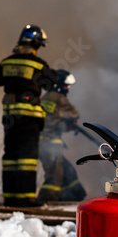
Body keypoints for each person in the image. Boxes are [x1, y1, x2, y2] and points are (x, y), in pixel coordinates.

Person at [0, 24, 56, 207]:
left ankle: (10, 197)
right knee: (26, 157)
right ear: (36, 45)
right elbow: (50, 83)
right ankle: (27, 198)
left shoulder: (7, 62)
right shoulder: (38, 64)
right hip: (29, 117)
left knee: (10, 156)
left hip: (10, 118)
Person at [37, 70, 87, 202]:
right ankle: (47, 199)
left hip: (43, 141)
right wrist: (69, 121)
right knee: (54, 174)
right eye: (66, 85)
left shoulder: (46, 98)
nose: (67, 89)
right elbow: (74, 113)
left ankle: (74, 194)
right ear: (58, 84)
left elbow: (51, 120)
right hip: (50, 142)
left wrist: (63, 124)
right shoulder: (58, 98)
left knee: (66, 169)